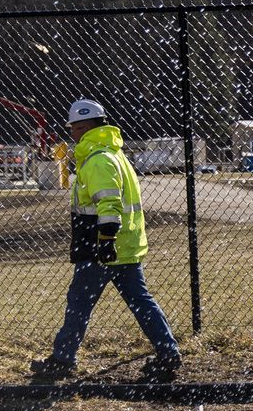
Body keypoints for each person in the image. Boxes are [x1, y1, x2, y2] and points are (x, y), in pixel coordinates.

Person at [30, 99, 182, 380]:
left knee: (79, 302)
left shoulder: (98, 160)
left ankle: (63, 359)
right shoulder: (114, 154)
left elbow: (108, 204)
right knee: (141, 301)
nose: (71, 134)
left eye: (74, 129)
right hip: (124, 245)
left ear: (85, 127)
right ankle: (167, 352)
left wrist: (105, 240)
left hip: (101, 247)